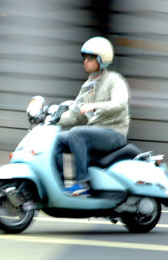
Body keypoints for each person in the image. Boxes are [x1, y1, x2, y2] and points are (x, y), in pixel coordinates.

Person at [55, 36, 130, 196]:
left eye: (90, 58)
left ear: (101, 59)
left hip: (113, 133)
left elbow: (120, 104)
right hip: (94, 133)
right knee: (56, 139)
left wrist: (95, 105)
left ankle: (82, 182)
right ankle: (58, 185)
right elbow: (75, 115)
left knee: (77, 133)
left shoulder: (114, 80)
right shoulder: (88, 86)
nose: (85, 61)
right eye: (84, 57)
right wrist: (51, 120)